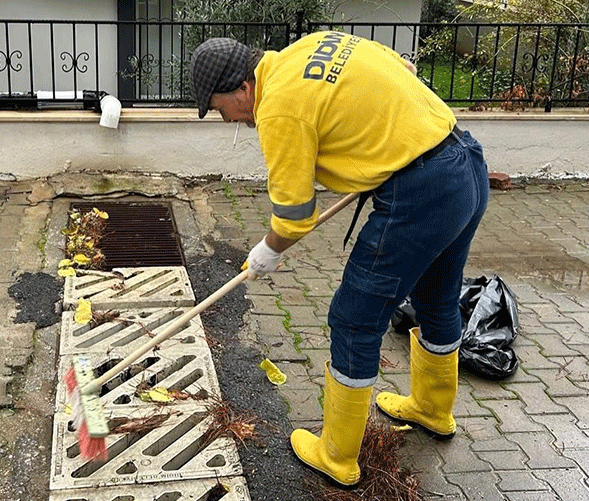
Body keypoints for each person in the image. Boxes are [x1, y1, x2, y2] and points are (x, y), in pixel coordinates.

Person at [189, 33, 489, 488]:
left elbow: (293, 215)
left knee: (354, 320)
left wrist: (268, 251)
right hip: (463, 161)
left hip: (420, 192)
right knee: (437, 297)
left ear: (243, 89)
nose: (225, 118)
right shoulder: (310, 46)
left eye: (218, 107)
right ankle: (432, 410)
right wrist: (374, 145)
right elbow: (403, 71)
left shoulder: (278, 107)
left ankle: (337, 456)